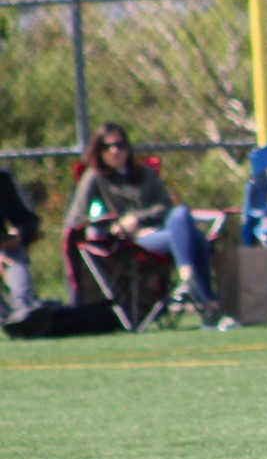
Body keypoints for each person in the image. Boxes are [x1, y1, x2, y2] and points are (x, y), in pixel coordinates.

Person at [64, 123, 237, 331]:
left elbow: (165, 206)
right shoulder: (95, 177)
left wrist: (137, 218)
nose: (115, 151)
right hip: (133, 241)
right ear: (99, 151)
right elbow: (77, 218)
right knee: (196, 238)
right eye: (107, 147)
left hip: (161, 232)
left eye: (120, 145)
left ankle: (187, 278)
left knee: (181, 214)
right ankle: (209, 305)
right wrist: (116, 225)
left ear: (128, 147)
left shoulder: (146, 174)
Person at [0, 164, 43, 324]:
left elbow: (26, 219)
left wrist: (19, 236)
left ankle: (24, 309)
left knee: (14, 251)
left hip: (4, 250)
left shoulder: (2, 178)